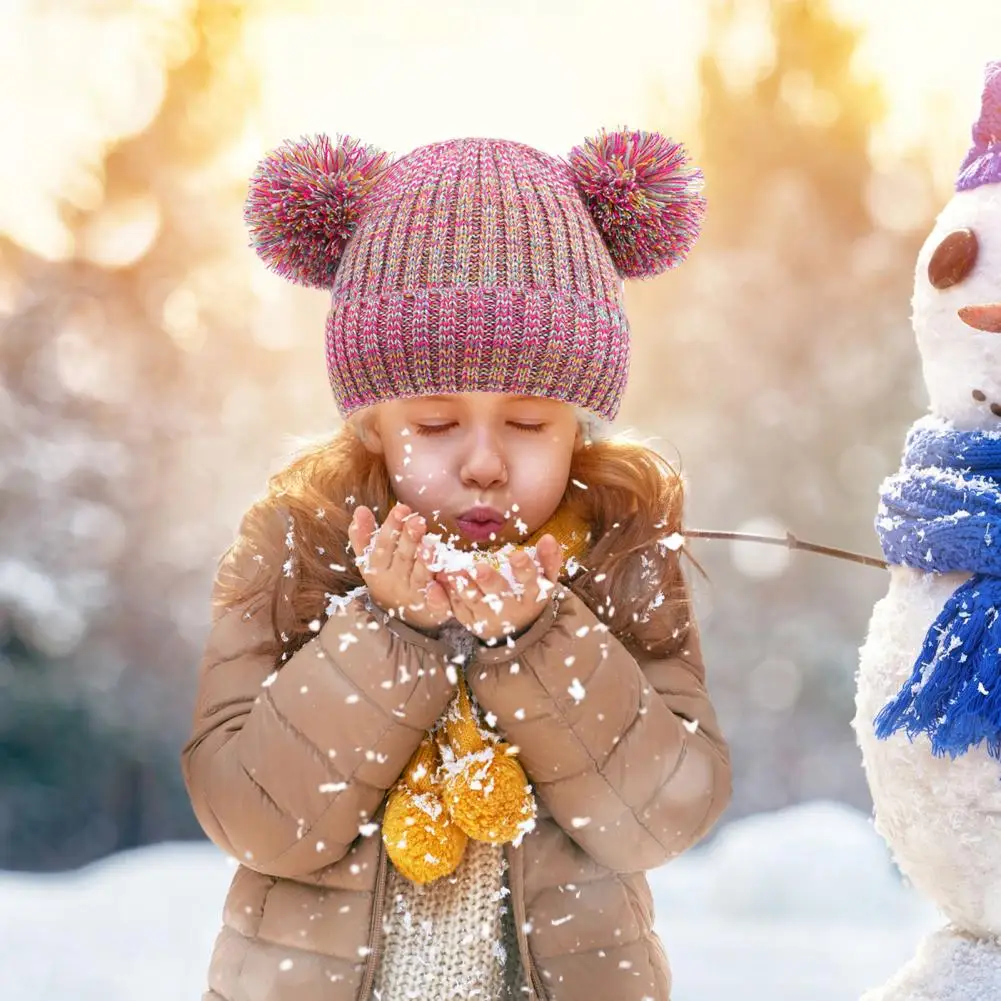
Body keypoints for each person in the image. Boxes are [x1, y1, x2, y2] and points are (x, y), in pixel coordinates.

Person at [182, 128, 732, 1001]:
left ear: (580, 427)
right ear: (371, 424)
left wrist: (538, 640)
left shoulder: (620, 554)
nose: (483, 462)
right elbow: (253, 817)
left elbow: (661, 816)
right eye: (436, 425)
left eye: (528, 424)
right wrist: (383, 630)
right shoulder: (299, 547)